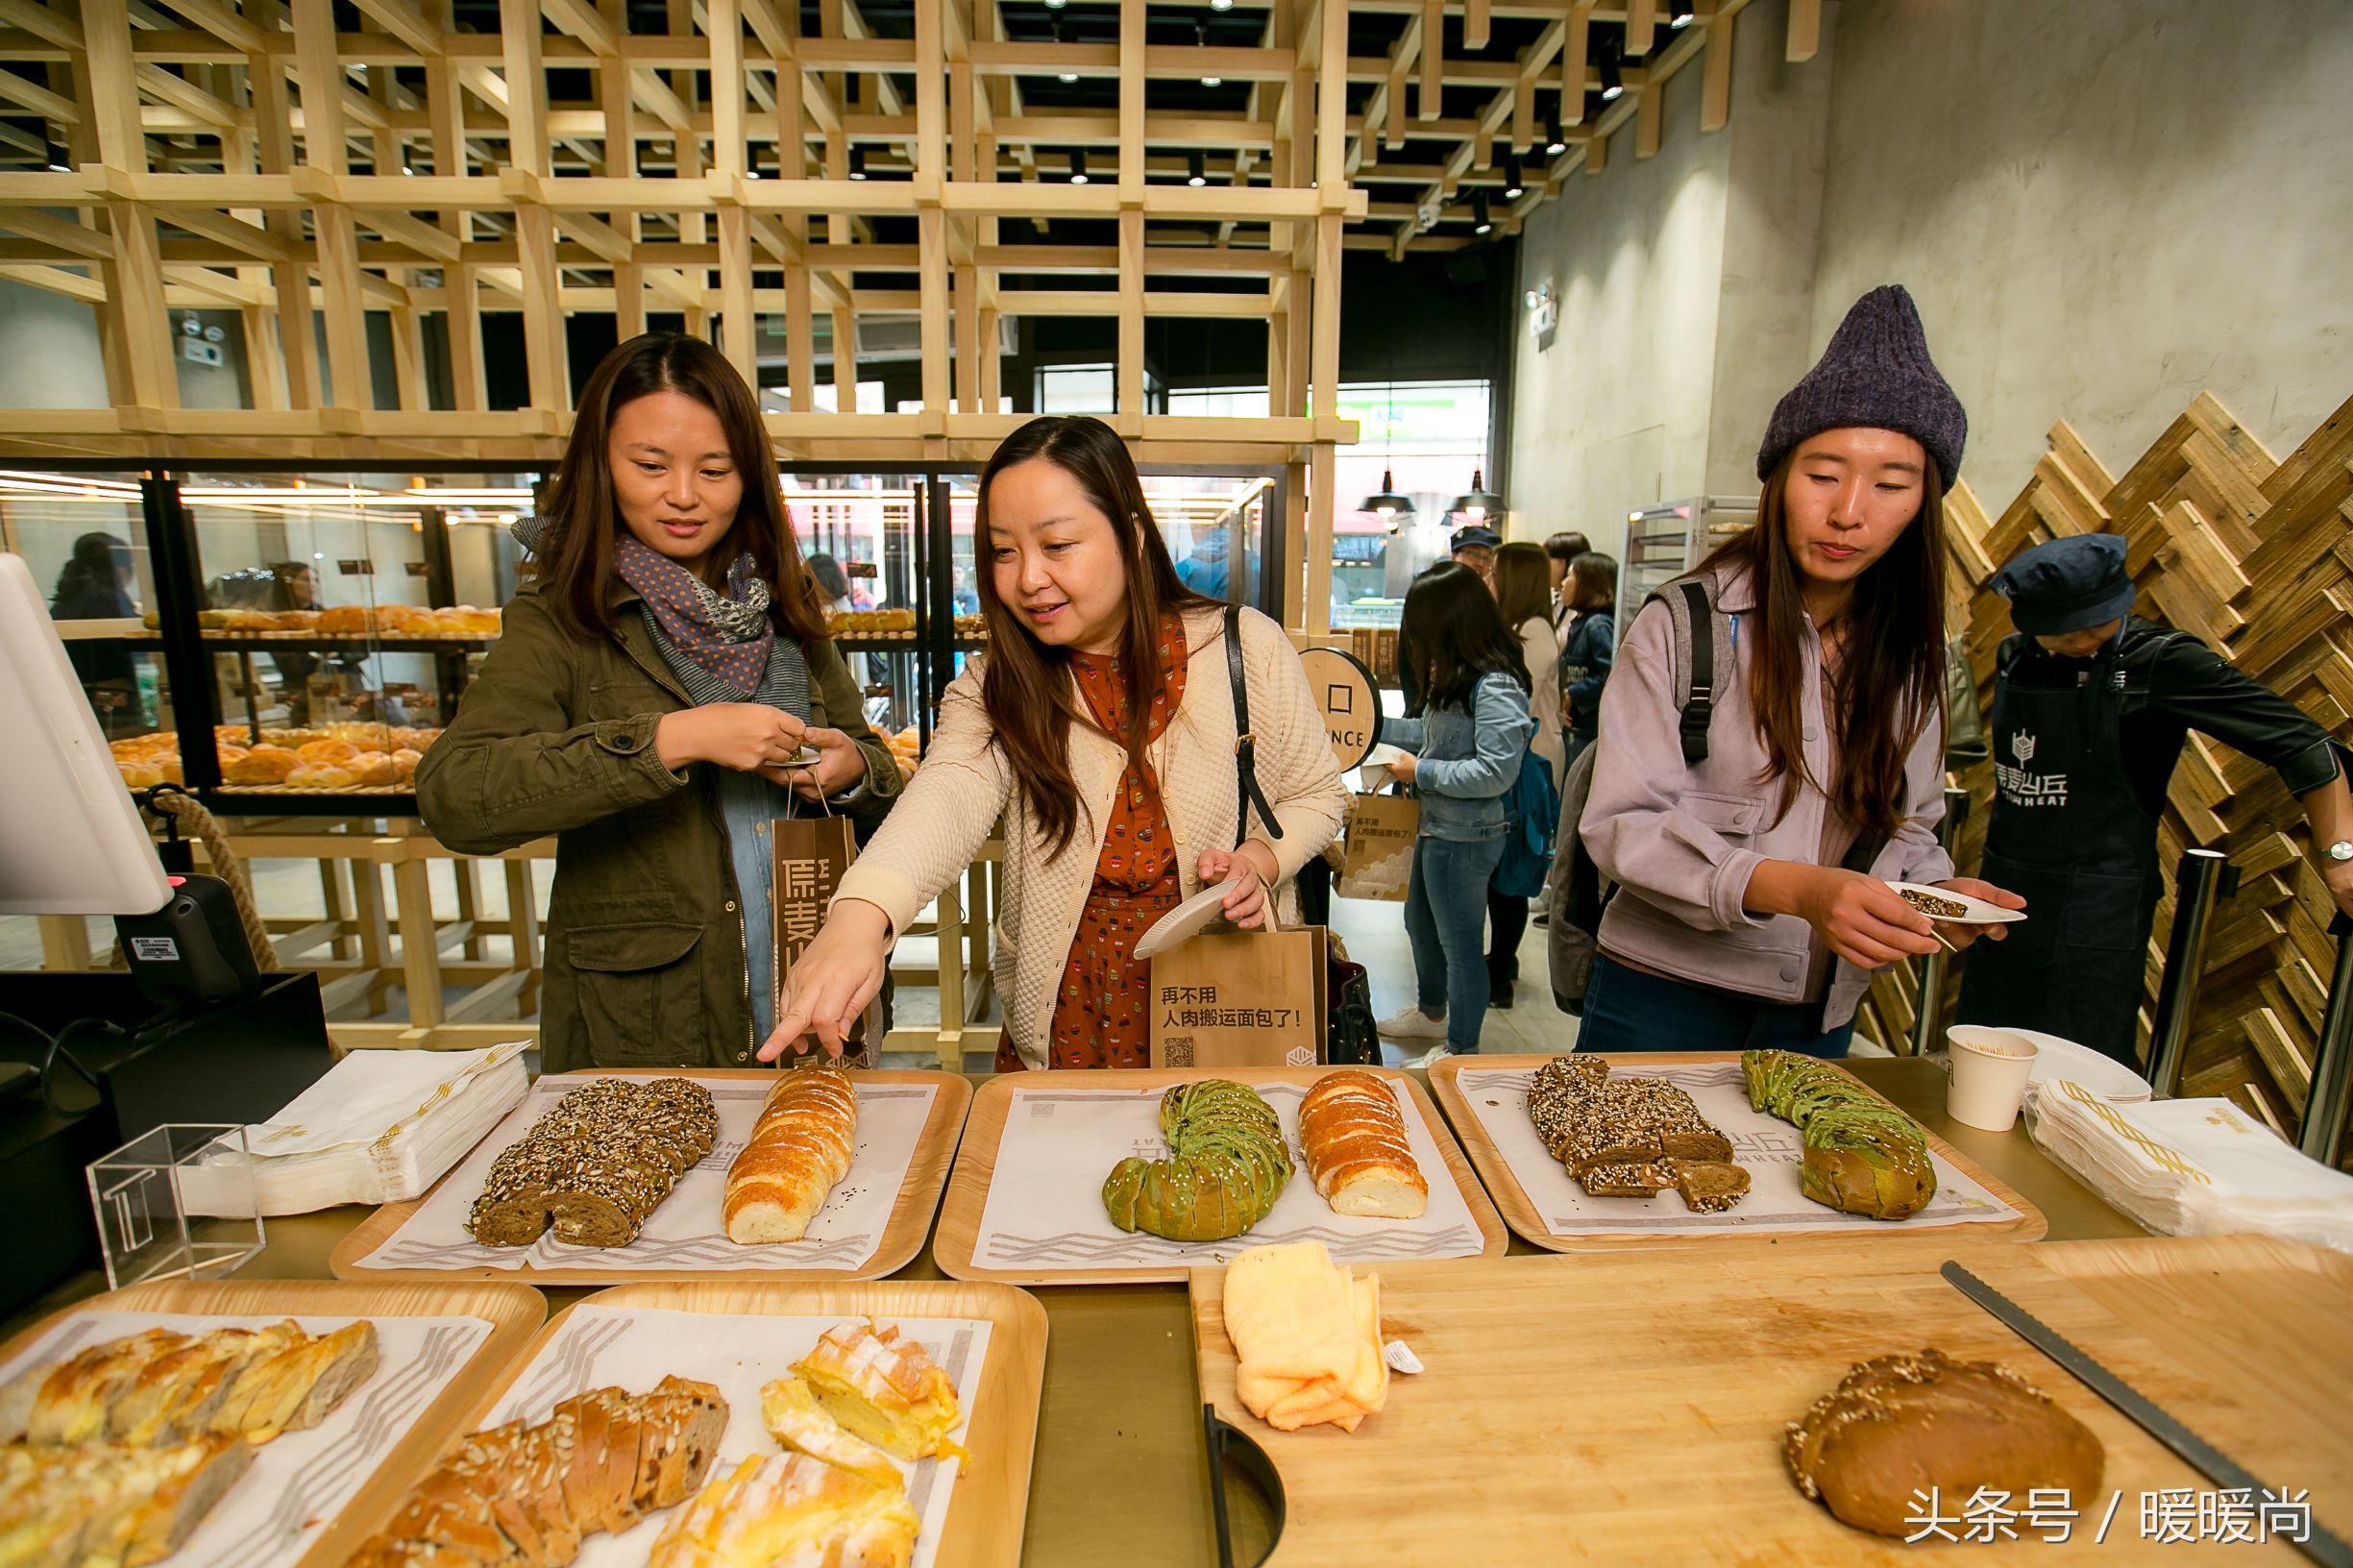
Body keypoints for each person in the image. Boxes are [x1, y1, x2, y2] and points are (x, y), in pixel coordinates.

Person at [758, 414, 1347, 1069]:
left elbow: (1318, 796)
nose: (1027, 579)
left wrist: (1260, 862)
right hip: (1066, 1010)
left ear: (1130, 534)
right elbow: (948, 789)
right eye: (1003, 551)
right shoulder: (998, 682)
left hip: (1216, 1000)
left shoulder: (1245, 647)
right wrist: (860, 917)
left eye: (1057, 545)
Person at [414, 331, 902, 1071]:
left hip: (811, 983)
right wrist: (672, 739)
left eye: (715, 469)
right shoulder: (566, 611)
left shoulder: (782, 602)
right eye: (649, 465)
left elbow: (873, 768)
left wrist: (851, 771)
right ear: (600, 464)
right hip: (652, 1017)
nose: (682, 495)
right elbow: (458, 793)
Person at [1577, 285, 2020, 1057]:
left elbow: (1908, 822)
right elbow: (1621, 824)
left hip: (1817, 1007)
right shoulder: (1686, 624)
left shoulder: (1909, 652)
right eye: (1823, 474)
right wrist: (1802, 890)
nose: (1849, 510)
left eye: (1889, 484)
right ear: (1778, 480)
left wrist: (1933, 893)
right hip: (1661, 997)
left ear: (1924, 502)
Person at [1954, 532, 2353, 1065]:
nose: (2080, 640)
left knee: (2076, 1071)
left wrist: (2340, 856)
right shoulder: (2015, 657)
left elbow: (2304, 744)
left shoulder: (2162, 662)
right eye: (2061, 631)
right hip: (2006, 886)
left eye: (2096, 623)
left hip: (2099, 902)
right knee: (1980, 1054)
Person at [1376, 562, 1536, 1066]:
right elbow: (1425, 733)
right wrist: (1362, 722)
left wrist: (1420, 772)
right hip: (1436, 828)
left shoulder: (1496, 686)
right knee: (1420, 926)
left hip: (1467, 838)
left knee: (1462, 946)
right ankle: (1432, 1014)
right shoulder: (1457, 678)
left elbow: (1494, 773)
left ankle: (1461, 1049)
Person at [1484, 541, 1563, 1009]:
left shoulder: (1532, 634)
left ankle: (1499, 972)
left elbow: (1517, 709)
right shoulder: (1523, 629)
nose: (1491, 581)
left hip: (1527, 766)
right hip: (1521, 759)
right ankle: (1503, 962)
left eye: (1496, 574)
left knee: (1508, 876)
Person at [50, 532, 138, 731]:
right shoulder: (108, 599)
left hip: (73, 697)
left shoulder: (68, 597)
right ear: (121, 568)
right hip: (111, 703)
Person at [1558, 551, 1618, 772]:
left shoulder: (1598, 625)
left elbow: (1610, 674)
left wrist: (1573, 692)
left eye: (1571, 575)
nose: (1563, 583)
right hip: (1577, 726)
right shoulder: (1581, 623)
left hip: (1588, 730)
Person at [1544, 530, 1590, 652]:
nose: (1542, 564)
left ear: (1566, 562)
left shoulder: (1585, 611)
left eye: (1547, 557)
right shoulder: (1552, 598)